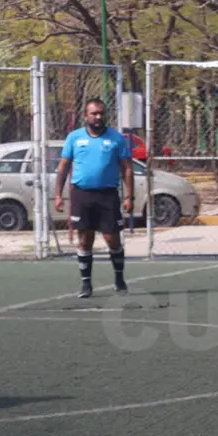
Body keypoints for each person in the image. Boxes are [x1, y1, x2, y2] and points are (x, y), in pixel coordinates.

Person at [55, 98, 133, 298]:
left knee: (112, 239)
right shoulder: (75, 137)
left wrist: (129, 196)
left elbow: (126, 168)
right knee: (85, 239)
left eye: (101, 113)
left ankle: (119, 280)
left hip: (108, 195)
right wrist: (58, 195)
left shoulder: (116, 138)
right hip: (82, 194)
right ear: (86, 116)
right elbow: (63, 166)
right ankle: (86, 285)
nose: (98, 117)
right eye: (94, 113)